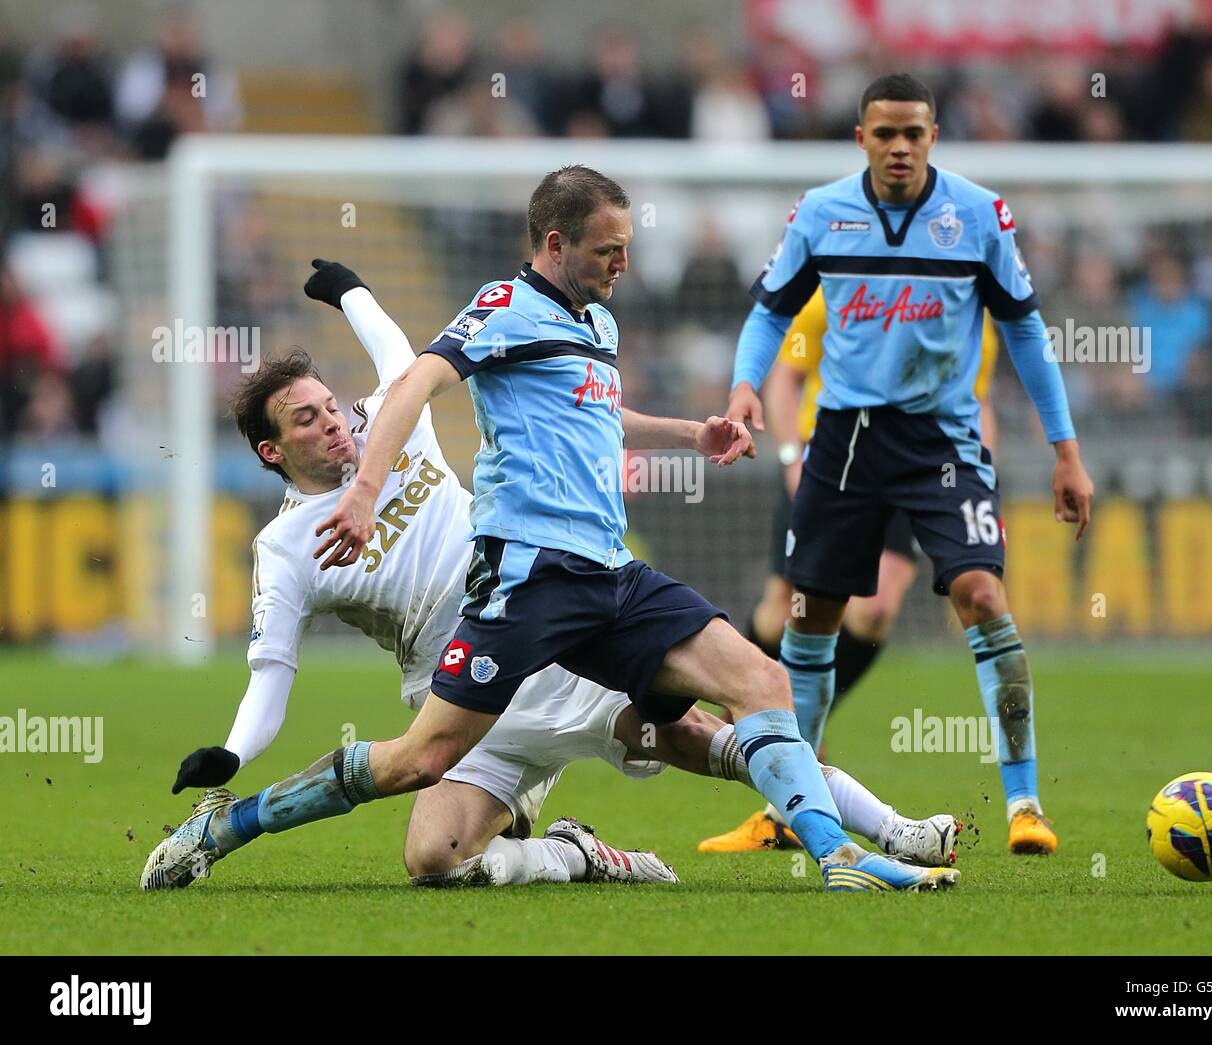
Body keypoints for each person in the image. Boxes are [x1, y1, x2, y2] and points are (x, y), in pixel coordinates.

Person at [143, 165, 961, 895]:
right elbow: (417, 377)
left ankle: (856, 850)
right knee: (427, 820)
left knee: (752, 691)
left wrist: (690, 434)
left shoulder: (594, 323)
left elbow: (589, 412)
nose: (624, 264)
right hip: (518, 598)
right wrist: (361, 493)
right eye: (609, 248)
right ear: (558, 242)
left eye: (627, 247)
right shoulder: (502, 310)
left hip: (605, 576)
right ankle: (247, 825)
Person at [726, 74, 1094, 856]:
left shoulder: (978, 216)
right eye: (885, 134)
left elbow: (1026, 333)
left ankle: (1025, 803)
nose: (900, 148)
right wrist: (743, 388)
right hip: (845, 442)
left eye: (914, 134)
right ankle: (791, 806)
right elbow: (770, 311)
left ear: (934, 136)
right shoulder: (822, 213)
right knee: (810, 616)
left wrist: (1066, 450)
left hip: (943, 440)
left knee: (983, 591)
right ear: (861, 137)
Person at [701, 290, 1000, 852]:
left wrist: (979, 474)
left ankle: (788, 739)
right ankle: (772, 725)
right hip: (829, 463)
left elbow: (979, 400)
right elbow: (787, 374)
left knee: (877, 609)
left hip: (919, 465)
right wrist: (792, 456)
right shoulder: (838, 290)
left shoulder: (961, 307)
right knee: (780, 610)